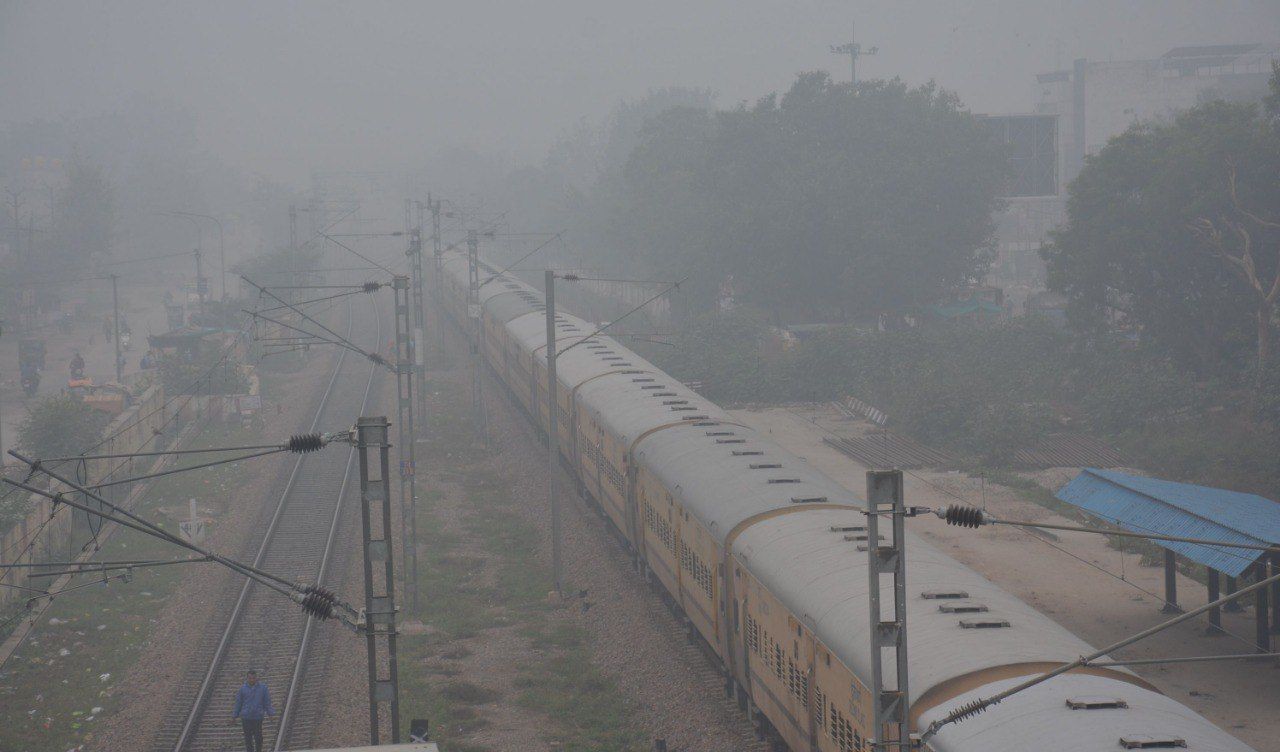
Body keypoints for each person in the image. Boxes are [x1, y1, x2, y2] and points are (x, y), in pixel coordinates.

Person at [232, 669, 274, 752]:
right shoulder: (242, 689)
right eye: (250, 678)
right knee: (248, 737)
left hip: (258, 717)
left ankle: (259, 750)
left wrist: (270, 714)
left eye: (253, 678)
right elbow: (238, 703)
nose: (252, 680)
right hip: (246, 717)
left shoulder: (263, 688)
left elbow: (267, 702)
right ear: (247, 678)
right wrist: (234, 715)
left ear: (256, 678)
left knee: (258, 736)